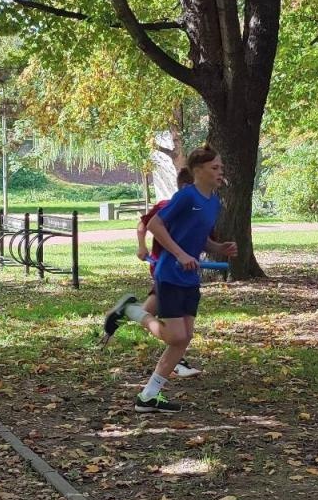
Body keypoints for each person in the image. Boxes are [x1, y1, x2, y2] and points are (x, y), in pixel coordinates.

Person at [101, 146, 235, 413]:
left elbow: (198, 236)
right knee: (176, 336)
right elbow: (155, 225)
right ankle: (131, 310)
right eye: (214, 168)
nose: (220, 172)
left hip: (189, 277)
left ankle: (149, 396)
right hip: (170, 273)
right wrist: (180, 254)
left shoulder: (214, 201)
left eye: (221, 168)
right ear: (198, 171)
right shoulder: (186, 197)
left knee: (184, 338)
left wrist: (218, 248)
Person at [99, 166, 200, 378]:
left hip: (182, 274)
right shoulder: (168, 205)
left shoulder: (198, 209)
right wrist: (142, 247)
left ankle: (126, 310)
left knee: (150, 313)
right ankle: (177, 360)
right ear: (186, 187)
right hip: (167, 271)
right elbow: (143, 224)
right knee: (175, 324)